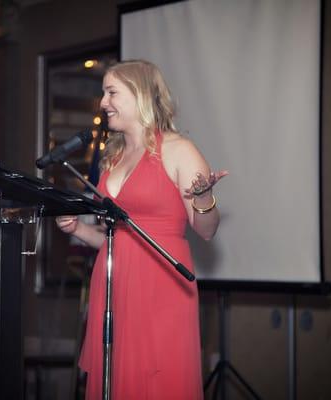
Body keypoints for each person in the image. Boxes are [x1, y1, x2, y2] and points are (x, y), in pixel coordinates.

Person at [55, 60, 227, 400]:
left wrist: (204, 197)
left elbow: (206, 230)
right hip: (113, 285)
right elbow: (115, 238)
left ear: (140, 96)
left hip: (161, 283)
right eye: (103, 93)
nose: (103, 103)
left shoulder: (179, 150)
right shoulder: (112, 158)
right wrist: (78, 229)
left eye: (111, 93)